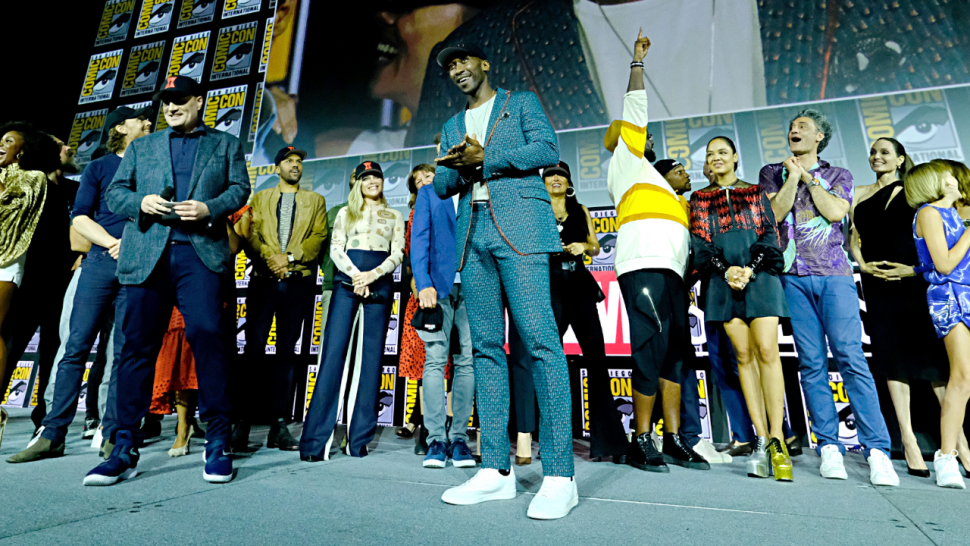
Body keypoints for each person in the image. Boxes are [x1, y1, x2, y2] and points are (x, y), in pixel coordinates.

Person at [430, 42, 577, 520]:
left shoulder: (521, 102)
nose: (457, 70)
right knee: (486, 350)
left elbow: (547, 150)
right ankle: (495, 469)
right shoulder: (451, 125)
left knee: (541, 343)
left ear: (484, 64)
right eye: (450, 66)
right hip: (473, 235)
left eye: (463, 61)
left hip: (522, 228)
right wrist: (457, 165)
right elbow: (441, 185)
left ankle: (560, 474)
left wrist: (484, 157)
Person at [84, 75, 250, 486]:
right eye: (166, 102)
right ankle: (123, 445)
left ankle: (217, 440)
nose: (171, 107)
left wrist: (210, 208)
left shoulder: (225, 144)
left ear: (199, 100)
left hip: (199, 254)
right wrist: (140, 201)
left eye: (179, 99)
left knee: (208, 337)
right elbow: (116, 194)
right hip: (147, 255)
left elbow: (239, 189)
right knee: (136, 347)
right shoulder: (143, 146)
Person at [759, 108, 898, 487]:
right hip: (792, 277)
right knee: (811, 363)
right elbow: (773, 215)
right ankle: (828, 445)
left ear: (819, 137)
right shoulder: (771, 172)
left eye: (802, 127)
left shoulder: (839, 175)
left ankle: (877, 450)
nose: (794, 130)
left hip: (834, 275)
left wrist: (809, 178)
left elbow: (836, 211)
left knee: (851, 358)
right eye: (791, 127)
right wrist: (792, 177)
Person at [7, 107, 152, 463]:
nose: (149, 122)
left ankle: (112, 433)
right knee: (74, 347)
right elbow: (80, 218)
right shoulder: (99, 167)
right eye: (141, 118)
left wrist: (132, 245)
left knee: (122, 353)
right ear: (120, 127)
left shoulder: (156, 166)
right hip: (99, 263)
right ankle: (52, 433)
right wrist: (112, 243)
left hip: (139, 266)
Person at [604, 34, 708, 474]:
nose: (684, 170)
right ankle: (640, 438)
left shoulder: (676, 200)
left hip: (673, 277)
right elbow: (635, 111)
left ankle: (672, 439)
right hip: (642, 268)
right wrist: (637, 64)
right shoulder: (629, 166)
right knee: (649, 348)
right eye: (677, 167)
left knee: (675, 354)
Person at [851, 140, 970, 477]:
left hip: (917, 283)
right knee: (893, 360)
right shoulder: (860, 194)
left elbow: (936, 243)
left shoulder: (920, 196)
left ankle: (959, 444)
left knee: (936, 365)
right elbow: (854, 236)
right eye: (873, 152)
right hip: (879, 284)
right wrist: (862, 264)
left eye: (885, 152)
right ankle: (908, 439)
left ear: (901, 159)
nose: (877, 157)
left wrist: (913, 270)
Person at [689, 137, 793, 480]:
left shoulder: (755, 193)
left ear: (735, 157)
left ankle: (777, 439)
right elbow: (701, 245)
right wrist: (726, 271)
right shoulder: (699, 199)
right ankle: (760, 439)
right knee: (743, 357)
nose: (716, 158)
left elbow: (769, 235)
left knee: (767, 351)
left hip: (760, 279)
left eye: (722, 152)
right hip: (722, 285)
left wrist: (749, 268)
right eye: (710, 154)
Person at [300, 161, 404, 461]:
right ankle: (316, 443)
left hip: (379, 286)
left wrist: (373, 276)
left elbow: (398, 252)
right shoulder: (345, 213)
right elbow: (336, 249)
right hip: (347, 283)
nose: (372, 181)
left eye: (377, 177)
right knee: (333, 356)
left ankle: (358, 440)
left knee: (371, 361)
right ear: (358, 183)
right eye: (366, 177)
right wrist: (358, 276)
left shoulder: (395, 215)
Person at [232, 146, 328, 452]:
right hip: (263, 281)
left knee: (287, 352)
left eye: (298, 161)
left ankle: (279, 425)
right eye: (289, 161)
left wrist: (288, 257)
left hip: (298, 283)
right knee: (253, 351)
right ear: (277, 168)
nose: (295, 165)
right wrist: (270, 260)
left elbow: (318, 237)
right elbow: (250, 234)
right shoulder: (260, 198)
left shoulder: (316, 200)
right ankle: (242, 423)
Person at [542, 160, 629, 463]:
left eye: (562, 175)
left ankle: (610, 444)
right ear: (543, 182)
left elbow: (596, 246)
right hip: (549, 287)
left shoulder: (581, 210)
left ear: (569, 183)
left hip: (579, 287)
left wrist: (582, 246)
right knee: (548, 363)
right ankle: (549, 438)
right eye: (550, 175)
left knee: (597, 360)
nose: (556, 178)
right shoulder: (537, 210)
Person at [653, 158, 731, 465]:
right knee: (665, 360)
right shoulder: (657, 203)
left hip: (682, 289)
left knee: (682, 360)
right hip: (659, 290)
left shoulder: (687, 205)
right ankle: (670, 434)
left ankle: (685, 434)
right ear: (662, 178)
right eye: (678, 172)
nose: (687, 175)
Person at [2, 132, 79, 434]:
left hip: (65, 281)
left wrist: (83, 255)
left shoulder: (76, 189)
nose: (69, 148)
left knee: (53, 352)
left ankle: (44, 421)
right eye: (60, 145)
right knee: (10, 346)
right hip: (30, 281)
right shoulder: (29, 184)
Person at [907, 161, 970, 489]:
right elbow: (944, 264)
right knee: (962, 377)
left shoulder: (956, 213)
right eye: (948, 176)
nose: (955, 180)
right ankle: (946, 457)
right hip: (950, 296)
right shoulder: (929, 213)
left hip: (967, 291)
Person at [0, 122, 57, 448]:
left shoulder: (34, 179)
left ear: (22, 150)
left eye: (8, 141)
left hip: (10, 262)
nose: (0, 145)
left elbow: (11, 210)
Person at [396, 164, 437, 455]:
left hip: (452, 288)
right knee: (425, 361)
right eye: (417, 181)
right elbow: (411, 253)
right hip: (422, 291)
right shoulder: (414, 214)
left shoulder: (453, 206)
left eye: (428, 176)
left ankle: (444, 426)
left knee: (451, 362)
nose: (423, 182)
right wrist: (418, 281)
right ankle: (423, 424)